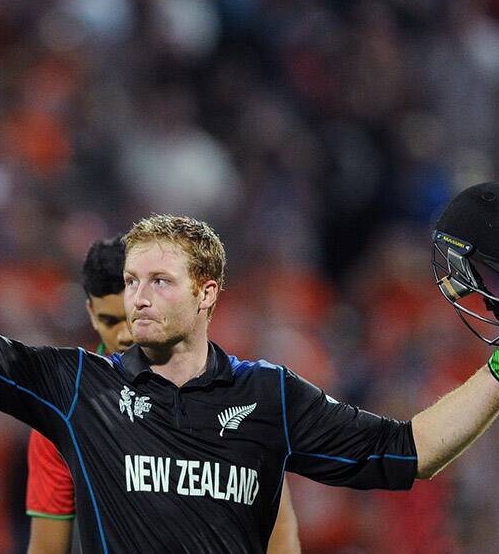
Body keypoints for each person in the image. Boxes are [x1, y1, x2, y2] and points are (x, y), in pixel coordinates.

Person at [0, 166, 499, 553]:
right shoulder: (78, 388)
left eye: (158, 281)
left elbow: (406, 454)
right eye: (130, 282)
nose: (136, 298)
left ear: (207, 294)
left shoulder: (270, 399)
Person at [25, 237, 300, 553]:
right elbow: (48, 544)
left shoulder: (226, 391)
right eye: (111, 320)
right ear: (93, 316)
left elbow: (276, 524)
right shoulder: (68, 409)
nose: (126, 334)